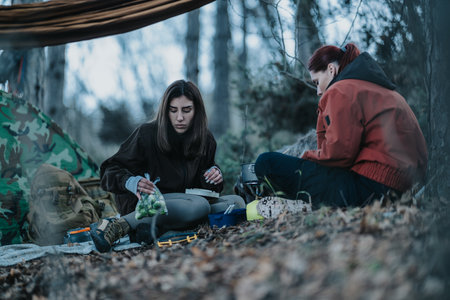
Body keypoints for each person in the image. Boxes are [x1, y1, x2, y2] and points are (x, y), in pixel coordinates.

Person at [254, 43, 428, 209]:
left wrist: (304, 157)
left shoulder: (341, 90)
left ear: (331, 69)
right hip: (401, 187)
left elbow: (339, 154)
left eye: (316, 82)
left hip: (371, 188)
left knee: (266, 162)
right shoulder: (382, 91)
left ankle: (295, 206)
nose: (318, 92)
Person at [90, 80, 245, 252]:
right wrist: (132, 182)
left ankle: (158, 231)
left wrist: (214, 176)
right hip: (145, 204)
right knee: (199, 207)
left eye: (186, 110)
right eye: (173, 110)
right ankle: (121, 224)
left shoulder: (205, 140)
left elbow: (205, 187)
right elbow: (108, 170)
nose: (180, 117)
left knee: (236, 203)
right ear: (165, 111)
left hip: (186, 203)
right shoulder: (147, 134)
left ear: (197, 111)